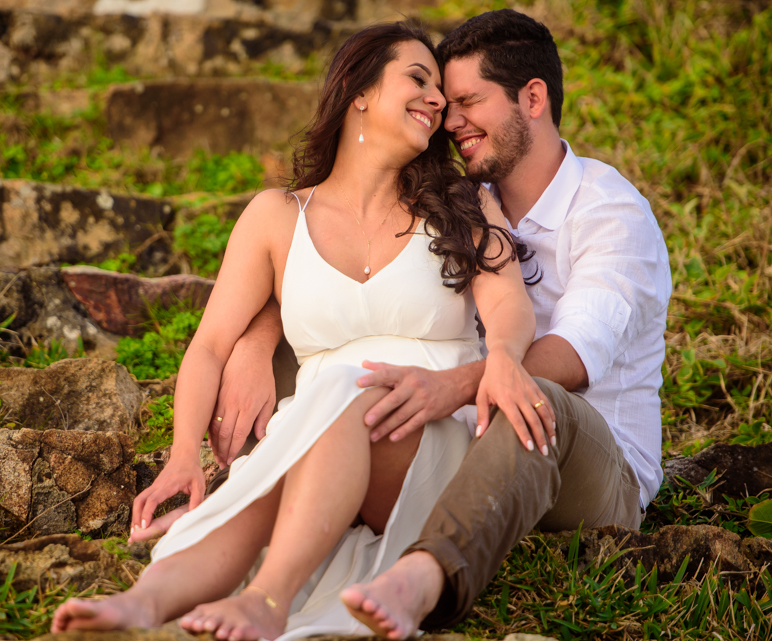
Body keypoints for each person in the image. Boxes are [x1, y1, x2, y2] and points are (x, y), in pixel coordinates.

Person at [51, 21, 555, 641]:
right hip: (317, 441)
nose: (437, 102)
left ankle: (268, 598)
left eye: (442, 94)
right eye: (418, 80)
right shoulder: (275, 217)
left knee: (352, 387)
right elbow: (209, 345)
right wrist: (185, 454)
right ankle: (146, 601)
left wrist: (503, 355)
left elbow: (508, 304)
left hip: (427, 441)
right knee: (306, 430)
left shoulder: (459, 202)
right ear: (360, 92)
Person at [204, 9, 673, 638]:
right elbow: (338, 298)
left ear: (532, 98)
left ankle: (422, 577)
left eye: (468, 102)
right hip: (466, 445)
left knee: (534, 399)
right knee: (344, 351)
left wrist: (455, 386)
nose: (449, 122)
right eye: (444, 104)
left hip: (589, 468)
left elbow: (575, 356)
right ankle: (262, 516)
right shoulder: (465, 205)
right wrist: (255, 346)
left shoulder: (609, 212)